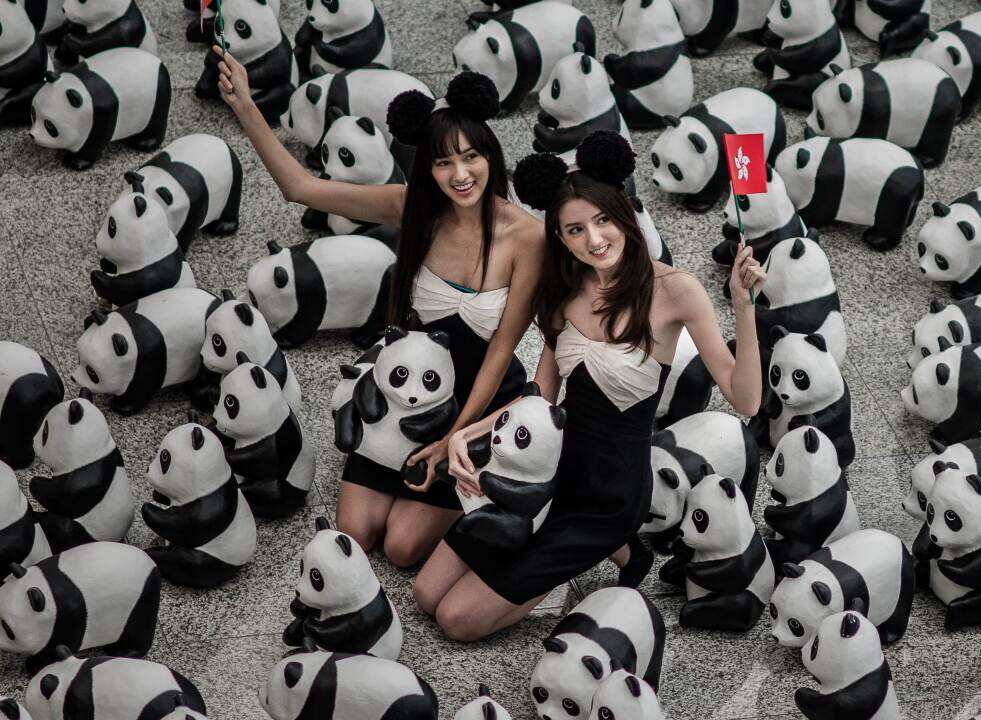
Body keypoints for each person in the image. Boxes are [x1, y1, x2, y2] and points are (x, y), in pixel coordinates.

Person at [414, 131, 766, 642]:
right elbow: (541, 395)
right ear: (560, 237)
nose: (594, 239)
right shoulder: (561, 293)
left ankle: (602, 548)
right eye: (575, 229)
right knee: (425, 593)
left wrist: (743, 306)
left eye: (602, 221)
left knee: (455, 619)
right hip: (549, 467)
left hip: (610, 497)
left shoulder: (675, 291)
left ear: (623, 217)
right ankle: (615, 552)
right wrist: (465, 435)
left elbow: (747, 399)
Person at [210, 47, 544, 565]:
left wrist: (454, 439)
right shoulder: (413, 208)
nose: (460, 174)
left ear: (490, 156)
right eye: (443, 162)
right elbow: (300, 187)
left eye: (470, 157)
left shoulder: (527, 236)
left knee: (403, 547)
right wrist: (245, 106)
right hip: (403, 392)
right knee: (357, 531)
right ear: (426, 168)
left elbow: (503, 349)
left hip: (476, 403)